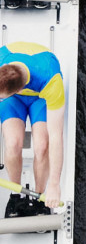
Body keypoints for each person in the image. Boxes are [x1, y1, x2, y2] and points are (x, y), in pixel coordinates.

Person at [0, 43, 64, 214]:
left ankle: (40, 196)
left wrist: (55, 184)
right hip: (13, 99)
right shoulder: (1, 60)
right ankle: (15, 195)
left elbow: (56, 136)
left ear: (20, 89)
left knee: (42, 146)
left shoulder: (52, 79)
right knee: (13, 144)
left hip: (40, 96)